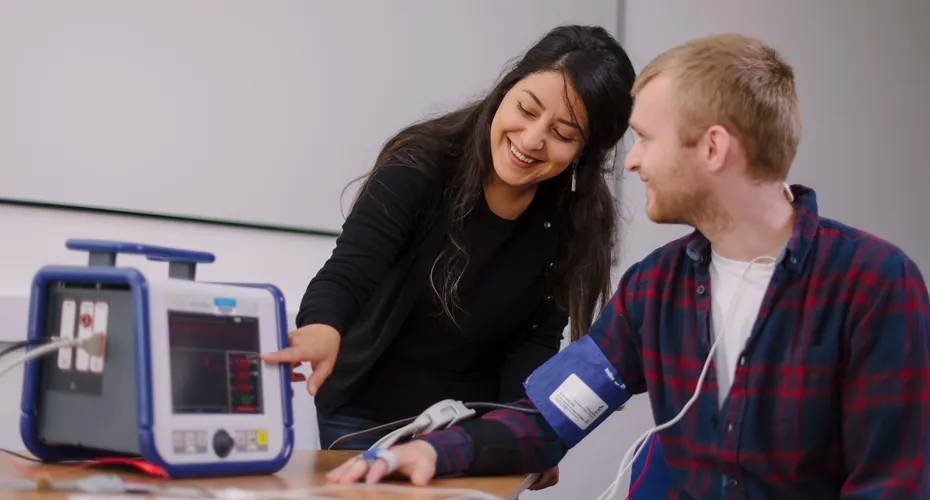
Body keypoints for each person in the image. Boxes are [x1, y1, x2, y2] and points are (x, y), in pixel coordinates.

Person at [324, 33, 930, 498]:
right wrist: (441, 452)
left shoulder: (875, 286)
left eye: (643, 138)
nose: (631, 162)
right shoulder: (656, 289)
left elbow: (893, 485)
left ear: (712, 148)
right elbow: (550, 415)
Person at [261, 25, 637, 490]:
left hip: (469, 430)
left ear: (585, 152)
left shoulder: (575, 220)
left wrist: (523, 432)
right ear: (506, 90)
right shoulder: (420, 165)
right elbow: (349, 271)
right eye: (526, 108)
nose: (532, 139)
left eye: (563, 133)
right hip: (361, 417)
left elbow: (536, 342)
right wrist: (322, 325)